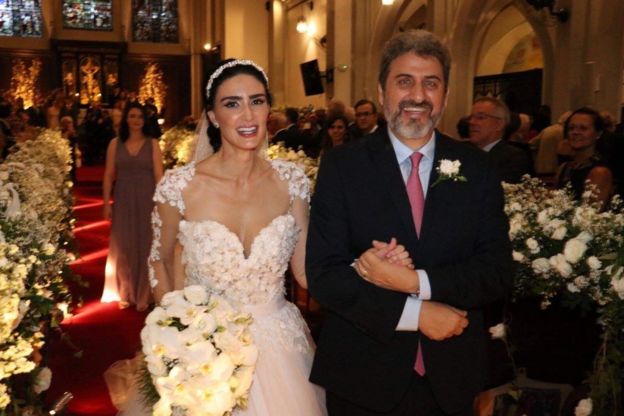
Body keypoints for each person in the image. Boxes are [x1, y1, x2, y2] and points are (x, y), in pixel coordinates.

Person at [307, 30, 514, 416]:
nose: (417, 96)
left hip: (451, 376)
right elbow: (325, 275)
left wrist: (415, 283)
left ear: (446, 97)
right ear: (382, 92)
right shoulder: (343, 166)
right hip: (364, 375)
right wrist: (418, 314)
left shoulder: (478, 168)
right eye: (404, 81)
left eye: (430, 83)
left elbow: (497, 271)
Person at [128, 59, 333, 415]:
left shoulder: (292, 181)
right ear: (211, 115)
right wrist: (180, 330)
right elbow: (159, 259)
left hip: (281, 347)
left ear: (269, 108)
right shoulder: (179, 186)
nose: (248, 115)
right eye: (232, 104)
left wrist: (369, 269)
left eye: (257, 101)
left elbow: (305, 271)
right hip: (206, 350)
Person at [101, 102, 164, 311]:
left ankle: (145, 293)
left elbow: (159, 175)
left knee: (147, 244)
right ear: (125, 119)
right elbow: (109, 175)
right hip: (124, 198)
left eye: (139, 117)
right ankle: (126, 291)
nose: (136, 121)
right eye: (132, 116)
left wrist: (163, 203)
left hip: (148, 198)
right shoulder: (114, 144)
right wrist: (106, 203)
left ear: (144, 120)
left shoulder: (153, 143)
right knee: (125, 245)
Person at [557, 107, 613, 207]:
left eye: (583, 128)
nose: (575, 132)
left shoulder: (599, 172)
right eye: (571, 128)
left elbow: (589, 216)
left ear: (598, 134)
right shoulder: (564, 167)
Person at [468, 97, 532, 184]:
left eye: (480, 117)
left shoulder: (513, 158)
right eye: (471, 117)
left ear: (499, 125)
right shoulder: (464, 152)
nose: (471, 122)